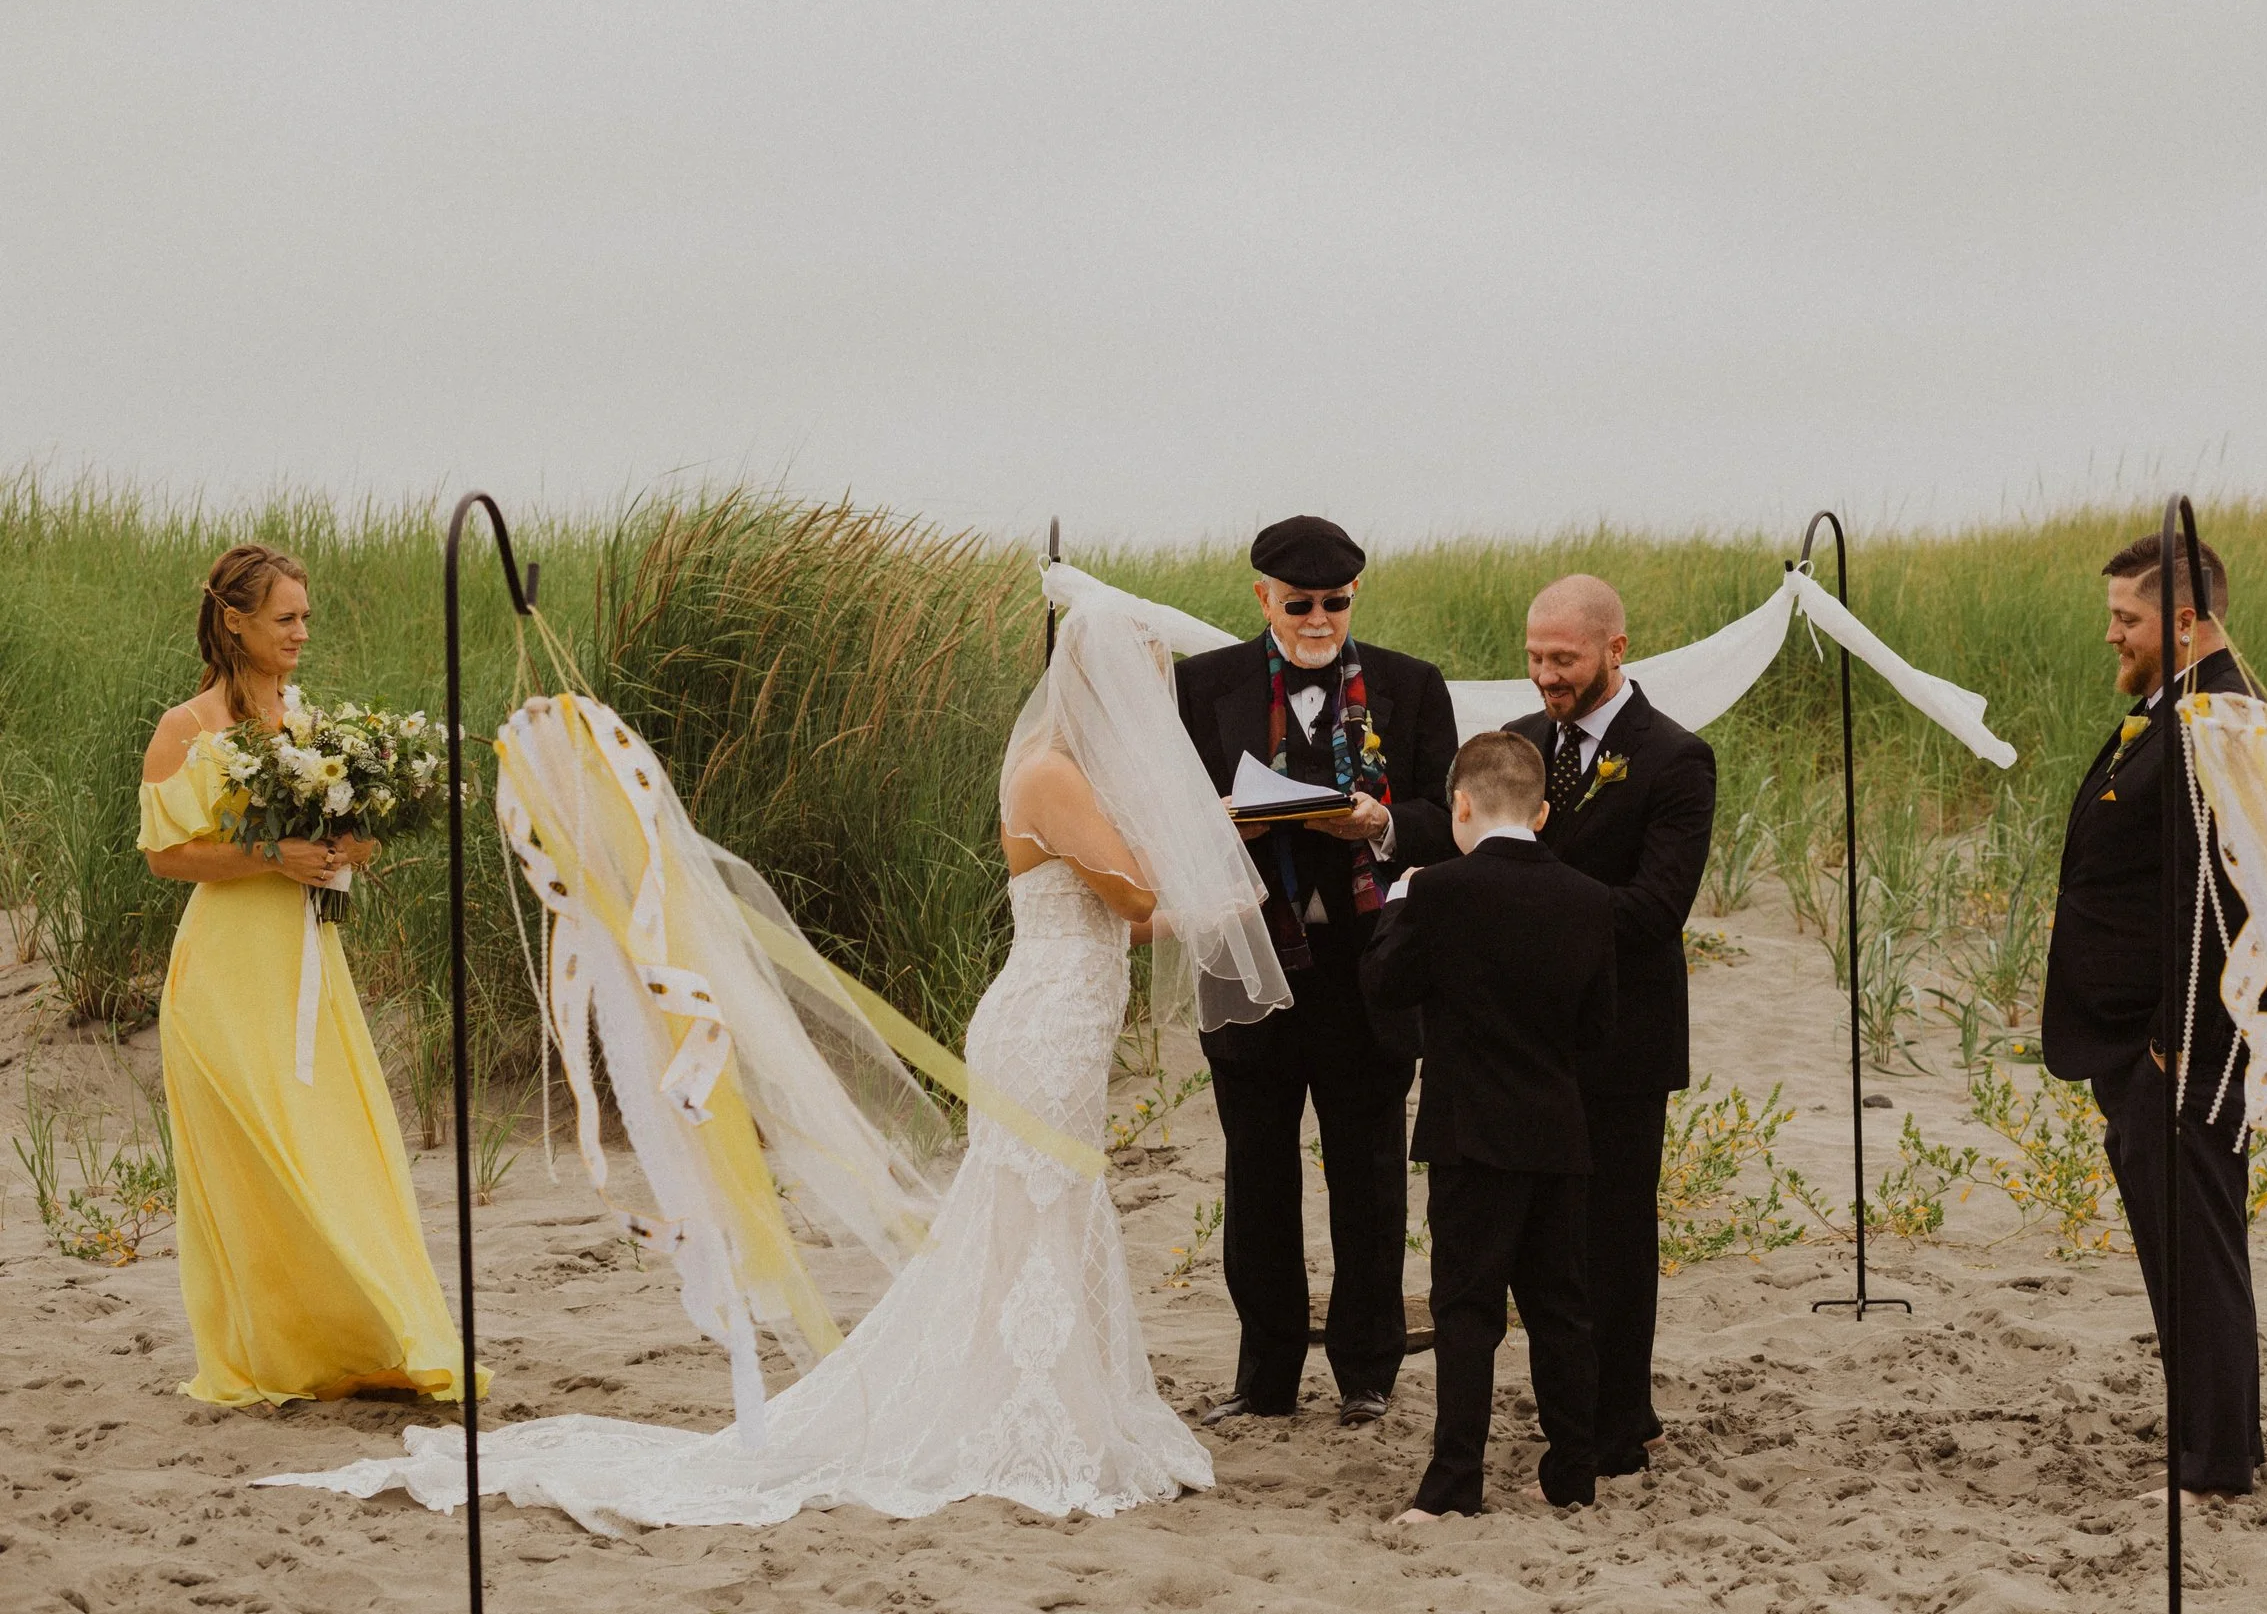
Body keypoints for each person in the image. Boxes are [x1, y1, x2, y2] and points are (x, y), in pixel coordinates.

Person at [266, 579, 1290, 1527]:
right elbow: (1141, 895)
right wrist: (1218, 860)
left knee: (1048, 1211)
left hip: (1072, 1010)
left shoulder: (1077, 775)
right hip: (1042, 1021)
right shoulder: (1054, 773)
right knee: (1029, 1211)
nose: (1154, 721)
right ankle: (1024, 1412)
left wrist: (1216, 879)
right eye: (1146, 695)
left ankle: (1059, 1401)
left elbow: (1133, 921)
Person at [136, 543, 469, 1405]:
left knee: (338, 1147)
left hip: (308, 963)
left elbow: (344, 834)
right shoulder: (188, 726)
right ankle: (275, 1350)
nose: (301, 632)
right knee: (258, 1160)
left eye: (306, 617)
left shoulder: (309, 724)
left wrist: (350, 844)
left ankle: (372, 1335)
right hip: (223, 975)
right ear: (236, 621)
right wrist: (269, 854)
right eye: (285, 618)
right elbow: (167, 855)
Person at [1174, 515, 1459, 1428]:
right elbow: (1164, 815)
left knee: (1369, 1173)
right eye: (1298, 602)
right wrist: (1223, 823)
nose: (1317, 617)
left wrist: (1378, 822)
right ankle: (1263, 1378)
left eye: (1335, 601)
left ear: (1354, 598)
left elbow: (1442, 812)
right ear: (1262, 598)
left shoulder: (1412, 686)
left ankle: (1367, 1373)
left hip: (1363, 963)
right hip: (1254, 960)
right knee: (1257, 1172)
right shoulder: (1199, 686)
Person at [2043, 533, 2262, 1502]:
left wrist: (2170, 1049)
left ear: (2182, 621)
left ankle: (2215, 1462)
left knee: (2196, 1254)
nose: (2111, 634)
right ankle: (2205, 1441)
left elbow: (2218, 901)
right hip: (2137, 1039)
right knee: (2178, 1251)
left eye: (2126, 619)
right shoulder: (2170, 708)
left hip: (2176, 1048)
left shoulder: (2217, 719)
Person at [1361, 731, 1613, 1521]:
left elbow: (1386, 986)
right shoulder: (1590, 897)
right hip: (1557, 1131)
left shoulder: (1438, 891)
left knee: (1467, 1314)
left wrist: (1399, 902)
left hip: (1470, 1134)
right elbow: (1598, 1030)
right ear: (1540, 812)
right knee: (1561, 1310)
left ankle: (1453, 1486)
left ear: (1460, 804)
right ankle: (1572, 1473)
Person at [1503, 574, 1715, 1477]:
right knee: (1544, 1232)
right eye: (1536, 657)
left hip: (1625, 1036)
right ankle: (1568, 1405)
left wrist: (1530, 905)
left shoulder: (1675, 758)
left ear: (1615, 650)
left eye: (1565, 659)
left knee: (1618, 1234)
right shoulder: (1513, 745)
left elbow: (1654, 908)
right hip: (1527, 1037)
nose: (1548, 676)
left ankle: (1623, 1417)